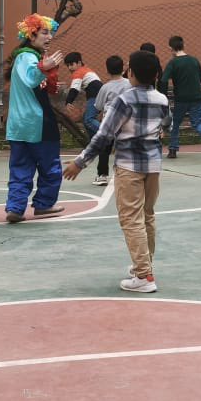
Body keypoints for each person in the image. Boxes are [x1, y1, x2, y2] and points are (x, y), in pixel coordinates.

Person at [66, 48, 168, 291]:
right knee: (147, 215)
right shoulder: (162, 99)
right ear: (156, 75)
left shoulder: (124, 100)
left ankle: (144, 276)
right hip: (153, 165)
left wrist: (80, 162)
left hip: (129, 166)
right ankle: (145, 266)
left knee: (131, 219)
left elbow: (104, 135)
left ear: (130, 72)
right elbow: (165, 124)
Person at [3, 14, 67, 224]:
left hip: (19, 125)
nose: (49, 37)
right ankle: (44, 203)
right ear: (31, 35)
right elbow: (31, 78)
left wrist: (48, 81)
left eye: (50, 33)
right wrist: (44, 67)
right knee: (50, 166)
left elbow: (30, 83)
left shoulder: (23, 57)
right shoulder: (28, 57)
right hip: (37, 123)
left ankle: (15, 208)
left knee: (20, 167)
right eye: (44, 32)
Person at [158, 34, 201, 157]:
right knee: (197, 123)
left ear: (170, 48)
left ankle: (173, 150)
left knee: (176, 123)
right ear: (184, 45)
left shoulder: (173, 63)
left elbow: (163, 80)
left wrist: (163, 95)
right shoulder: (194, 60)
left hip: (181, 99)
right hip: (196, 97)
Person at [90, 55, 127, 180]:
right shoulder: (129, 84)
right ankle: (126, 173)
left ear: (107, 70)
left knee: (104, 148)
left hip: (110, 121)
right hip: (126, 120)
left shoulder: (105, 87)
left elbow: (99, 105)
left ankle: (102, 175)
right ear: (123, 68)